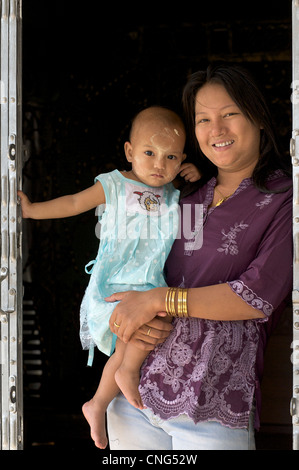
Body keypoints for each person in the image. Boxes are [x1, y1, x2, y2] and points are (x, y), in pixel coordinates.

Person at [105, 64, 293, 450]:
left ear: (258, 116)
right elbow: (147, 268)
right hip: (135, 395)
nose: (216, 130)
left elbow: (255, 296)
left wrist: (158, 300)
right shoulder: (186, 196)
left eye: (229, 114)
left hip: (215, 402)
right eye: (203, 119)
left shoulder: (284, 198)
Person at [18, 106, 201, 449]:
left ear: (181, 161)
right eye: (149, 153)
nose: (159, 164)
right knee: (134, 339)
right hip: (115, 283)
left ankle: (98, 403)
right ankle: (118, 384)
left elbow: (195, 232)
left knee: (138, 337)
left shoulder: (175, 194)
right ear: (130, 151)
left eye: (171, 156)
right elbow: (73, 202)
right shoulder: (115, 184)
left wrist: (193, 179)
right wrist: (31, 211)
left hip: (149, 285)